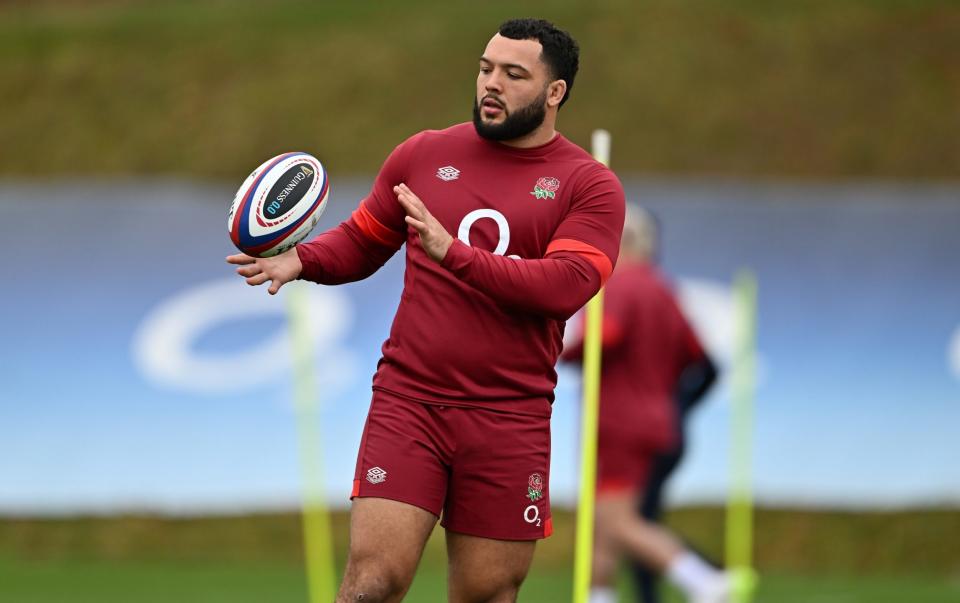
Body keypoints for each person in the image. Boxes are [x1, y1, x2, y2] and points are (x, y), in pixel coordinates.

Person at [228, 18, 624, 603]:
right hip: (409, 402)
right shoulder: (424, 153)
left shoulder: (589, 186)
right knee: (373, 583)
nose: (492, 83)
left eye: (515, 75)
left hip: (509, 416)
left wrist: (453, 253)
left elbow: (563, 286)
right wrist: (303, 260)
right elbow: (363, 240)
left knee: (487, 594)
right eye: (486, 68)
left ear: (554, 92)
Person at [561, 205, 726, 603]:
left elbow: (603, 338)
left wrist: (559, 347)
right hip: (658, 421)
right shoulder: (664, 290)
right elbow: (698, 355)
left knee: (615, 523)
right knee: (601, 526)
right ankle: (599, 596)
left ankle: (703, 580)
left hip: (619, 424)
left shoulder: (618, 287)